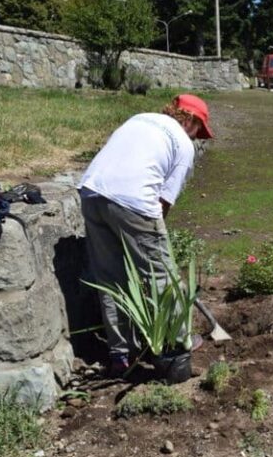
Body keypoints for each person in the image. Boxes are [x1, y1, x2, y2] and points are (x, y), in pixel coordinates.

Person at [78, 94, 215, 376]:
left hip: (92, 193)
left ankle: (121, 354)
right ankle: (177, 344)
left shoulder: (139, 119)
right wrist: (154, 244)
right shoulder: (183, 144)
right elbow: (163, 203)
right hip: (135, 200)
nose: (197, 136)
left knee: (110, 278)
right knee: (162, 278)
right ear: (189, 119)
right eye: (198, 129)